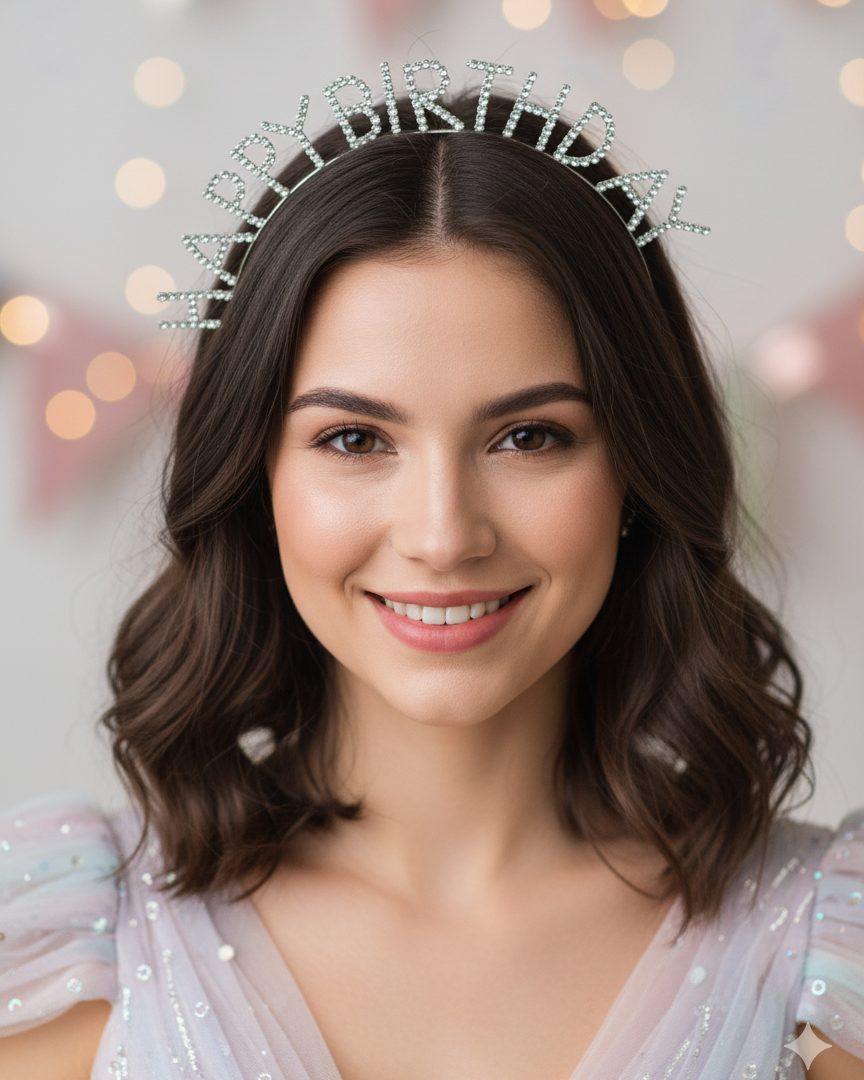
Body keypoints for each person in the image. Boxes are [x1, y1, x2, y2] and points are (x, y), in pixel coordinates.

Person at [1, 74, 862, 1080]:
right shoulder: (73, 936)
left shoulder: (821, 952)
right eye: (356, 438)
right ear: (255, 477)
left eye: (529, 435)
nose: (443, 534)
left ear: (636, 466)